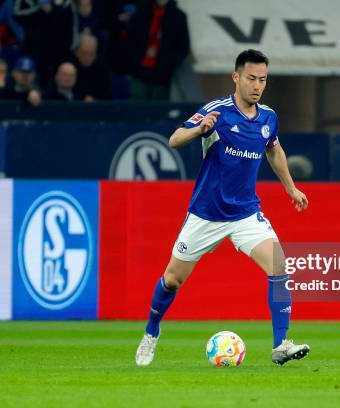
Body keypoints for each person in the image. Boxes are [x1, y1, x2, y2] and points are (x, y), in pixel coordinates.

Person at [135, 49, 310, 367]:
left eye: (263, 79)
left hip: (245, 213)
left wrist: (290, 187)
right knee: (172, 279)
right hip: (206, 214)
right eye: (251, 78)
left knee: (280, 265)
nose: (257, 85)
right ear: (236, 77)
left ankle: (280, 344)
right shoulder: (218, 111)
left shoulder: (268, 117)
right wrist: (199, 130)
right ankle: (151, 332)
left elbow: (274, 149)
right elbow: (175, 139)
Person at [72, 32, 110, 101]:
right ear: (77, 52)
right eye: (84, 53)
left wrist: (95, 100)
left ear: (96, 54)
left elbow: (106, 96)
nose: (87, 57)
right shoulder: (69, 68)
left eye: (91, 54)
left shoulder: (101, 70)